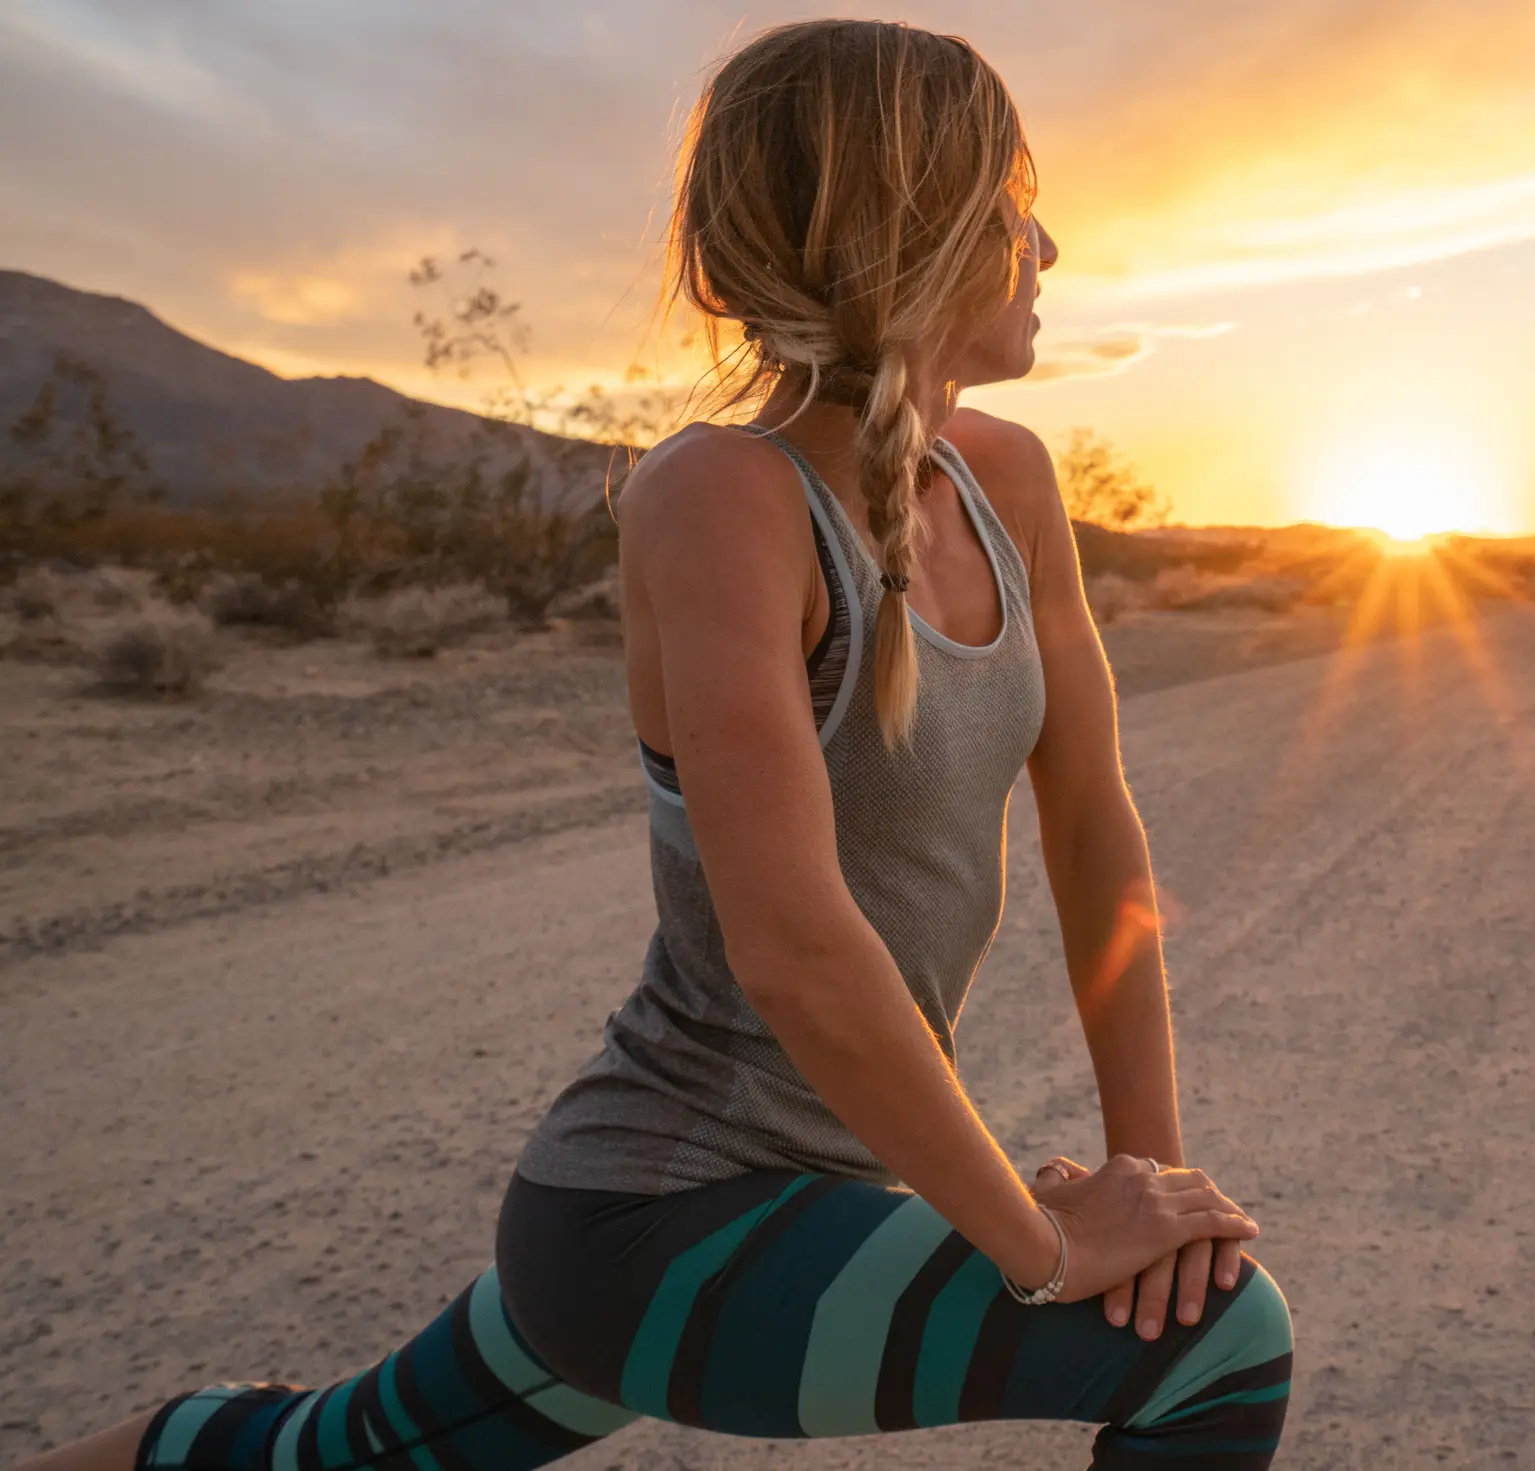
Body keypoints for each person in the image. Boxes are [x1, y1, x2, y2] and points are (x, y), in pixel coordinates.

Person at [19, 20, 1291, 1471]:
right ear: (906, 231)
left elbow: (1094, 832)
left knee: (334, 1454)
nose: (1046, 244)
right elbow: (795, 946)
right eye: (1010, 200)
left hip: (766, 1198)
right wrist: (1042, 1249)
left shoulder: (1007, 477)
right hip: (664, 1218)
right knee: (1220, 1349)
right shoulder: (723, 495)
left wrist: (1152, 1179)